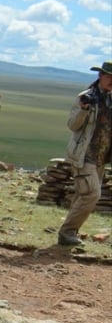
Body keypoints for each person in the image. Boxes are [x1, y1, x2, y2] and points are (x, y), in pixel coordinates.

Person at [57, 60, 112, 246]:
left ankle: (70, 233)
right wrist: (83, 110)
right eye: (108, 76)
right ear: (100, 76)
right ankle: (67, 232)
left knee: (83, 195)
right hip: (84, 155)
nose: (111, 80)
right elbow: (73, 125)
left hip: (101, 157)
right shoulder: (86, 97)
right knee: (92, 195)